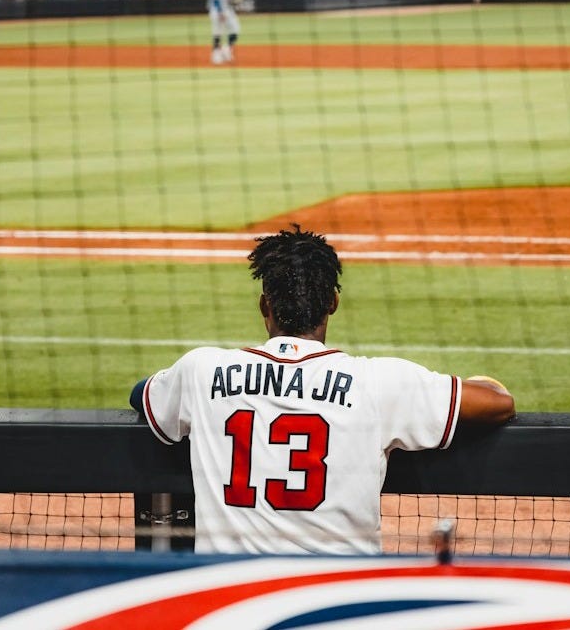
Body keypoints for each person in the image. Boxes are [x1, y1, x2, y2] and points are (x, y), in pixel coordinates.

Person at [130, 224, 515, 554]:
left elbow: (142, 395)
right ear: (332, 302)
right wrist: (486, 383)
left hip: (233, 598)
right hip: (334, 600)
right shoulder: (379, 382)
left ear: (265, 305)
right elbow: (498, 404)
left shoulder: (200, 371)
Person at [205, 0, 241, 65]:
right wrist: (220, 12)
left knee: (235, 29)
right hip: (216, 11)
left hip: (229, 10)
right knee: (218, 32)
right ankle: (215, 54)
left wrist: (235, 1)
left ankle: (227, 49)